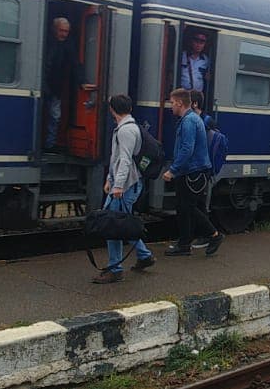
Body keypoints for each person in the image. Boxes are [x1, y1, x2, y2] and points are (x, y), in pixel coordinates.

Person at [93, 94, 155, 283]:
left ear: (112, 109)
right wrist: (110, 180)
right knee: (122, 224)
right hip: (125, 184)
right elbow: (117, 159)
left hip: (126, 186)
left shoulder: (125, 131)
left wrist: (118, 185)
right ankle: (144, 256)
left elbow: (125, 160)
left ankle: (115, 269)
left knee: (113, 227)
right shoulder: (127, 127)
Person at [161, 88, 222, 256]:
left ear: (180, 103)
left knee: (188, 207)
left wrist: (173, 170)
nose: (171, 106)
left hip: (192, 172)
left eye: (172, 103)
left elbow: (187, 148)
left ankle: (214, 235)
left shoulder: (189, 121)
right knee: (184, 208)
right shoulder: (191, 119)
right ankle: (184, 244)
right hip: (192, 171)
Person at [42, 16, 96, 153]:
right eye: (61, 31)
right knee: (42, 114)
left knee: (55, 116)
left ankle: (50, 144)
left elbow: (75, 63)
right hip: (41, 85)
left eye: (66, 31)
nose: (64, 34)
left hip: (55, 87)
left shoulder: (68, 44)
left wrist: (82, 81)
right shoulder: (44, 40)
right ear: (54, 29)